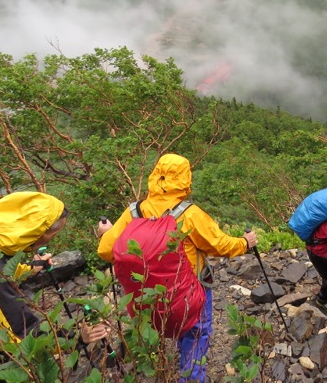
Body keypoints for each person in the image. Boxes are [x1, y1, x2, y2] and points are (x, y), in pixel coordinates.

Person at [96, 153, 257, 383]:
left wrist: (109, 232)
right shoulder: (189, 214)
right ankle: (190, 377)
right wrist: (245, 243)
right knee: (197, 332)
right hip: (187, 293)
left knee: (157, 328)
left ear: (155, 175)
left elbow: (105, 250)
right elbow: (219, 245)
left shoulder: (133, 212)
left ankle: (159, 363)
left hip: (146, 295)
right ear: (185, 178)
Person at [0, 192, 108, 376]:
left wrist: (29, 268)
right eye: (52, 235)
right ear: (32, 234)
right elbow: (22, 335)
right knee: (0, 362)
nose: (52, 240)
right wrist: (76, 338)